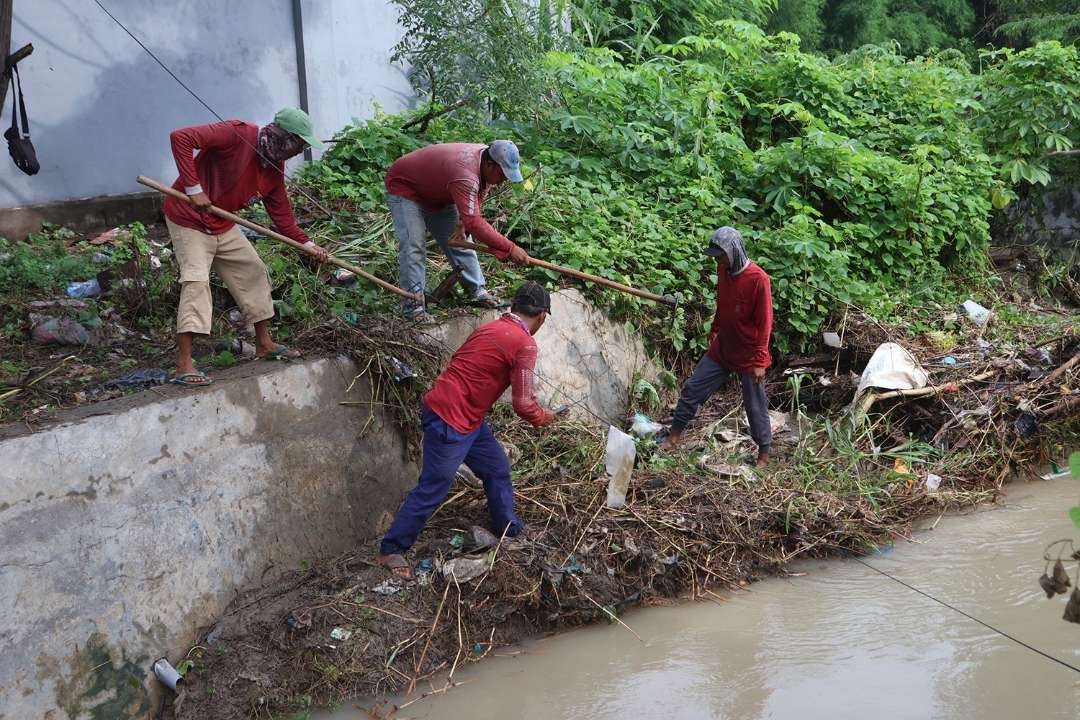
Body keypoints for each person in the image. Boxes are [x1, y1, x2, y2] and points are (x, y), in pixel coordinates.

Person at [377, 282, 558, 578]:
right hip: (451, 417)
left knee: (497, 467)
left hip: (466, 415)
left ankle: (509, 530)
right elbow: (524, 405)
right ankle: (392, 549)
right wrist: (544, 417)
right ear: (541, 316)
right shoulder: (525, 344)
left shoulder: (491, 328)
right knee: (434, 486)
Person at [163, 108, 330, 387]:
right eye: (298, 143)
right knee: (196, 280)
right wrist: (194, 190)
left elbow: (282, 217)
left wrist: (309, 245)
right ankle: (184, 364)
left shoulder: (273, 167)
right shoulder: (238, 133)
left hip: (221, 223)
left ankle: (264, 344)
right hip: (188, 218)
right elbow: (180, 137)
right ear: (283, 136)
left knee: (253, 270)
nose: (298, 151)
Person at [661, 227, 774, 467]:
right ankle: (673, 437)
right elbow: (723, 302)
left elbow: (765, 323)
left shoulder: (758, 280)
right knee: (693, 389)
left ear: (734, 252)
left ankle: (763, 453)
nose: (718, 260)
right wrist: (715, 328)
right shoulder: (723, 270)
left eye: (721, 255)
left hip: (749, 352)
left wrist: (759, 360)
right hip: (724, 346)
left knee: (755, 404)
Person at [384, 140, 532, 322]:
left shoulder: (485, 161)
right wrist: (509, 248)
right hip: (405, 187)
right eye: (502, 176)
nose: (502, 182)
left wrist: (463, 223)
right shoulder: (465, 174)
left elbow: (479, 194)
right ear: (489, 165)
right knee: (414, 245)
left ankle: (477, 291)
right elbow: (475, 222)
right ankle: (413, 308)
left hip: (436, 192)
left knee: (460, 240)